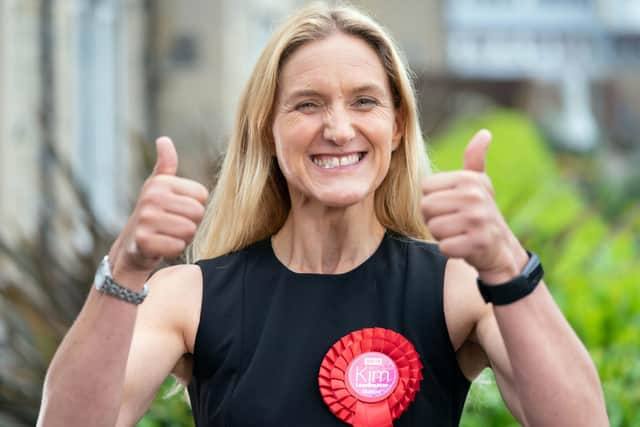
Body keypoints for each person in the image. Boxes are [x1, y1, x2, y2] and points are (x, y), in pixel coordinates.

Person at [38, 3, 608, 427]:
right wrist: (128, 267)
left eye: (364, 101)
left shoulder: (455, 288)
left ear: (398, 125)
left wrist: (506, 265)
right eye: (307, 104)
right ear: (267, 129)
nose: (338, 128)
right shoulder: (189, 297)